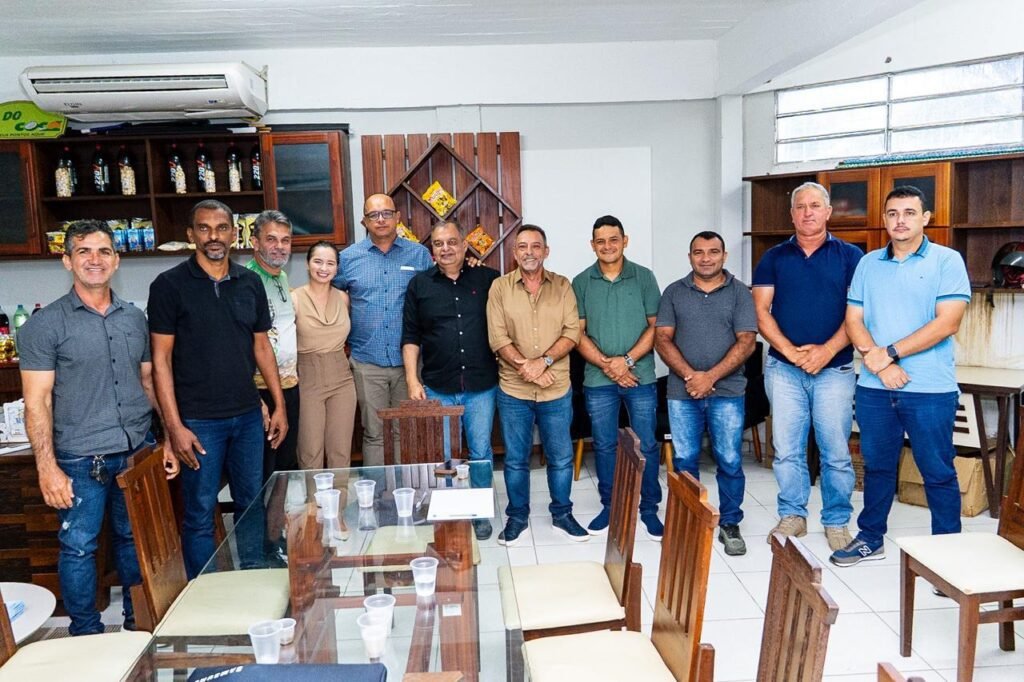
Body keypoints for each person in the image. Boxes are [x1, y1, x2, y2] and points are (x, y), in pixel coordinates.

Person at [18, 219, 178, 635]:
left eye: (104, 251)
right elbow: (37, 402)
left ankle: (137, 627)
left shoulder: (134, 318)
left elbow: (148, 382)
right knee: (79, 547)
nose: (95, 259)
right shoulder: (44, 326)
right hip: (80, 458)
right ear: (67, 261)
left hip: (135, 450)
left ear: (116, 260)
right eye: (84, 251)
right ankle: (85, 634)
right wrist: (46, 468)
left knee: (134, 540)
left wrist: (166, 441)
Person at [830, 185, 971, 567]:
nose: (900, 220)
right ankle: (870, 538)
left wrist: (889, 354)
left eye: (909, 213)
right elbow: (853, 319)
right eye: (892, 213)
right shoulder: (868, 263)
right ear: (884, 219)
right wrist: (880, 364)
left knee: (937, 471)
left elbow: (947, 323)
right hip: (875, 389)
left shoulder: (947, 261)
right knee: (877, 467)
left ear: (925, 218)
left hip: (929, 389)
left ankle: (947, 556)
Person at [148, 199, 287, 578]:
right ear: (191, 234)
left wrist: (278, 405)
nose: (214, 236)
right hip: (197, 421)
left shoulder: (250, 282)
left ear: (234, 234)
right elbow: (161, 361)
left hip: (247, 417)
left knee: (251, 502)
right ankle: (204, 592)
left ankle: (253, 576)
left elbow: (262, 347)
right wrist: (174, 427)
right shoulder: (169, 286)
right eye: (204, 228)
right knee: (199, 510)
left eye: (222, 228)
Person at [752, 181, 864, 551]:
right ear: (792, 214)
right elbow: (761, 312)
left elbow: (858, 313)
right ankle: (793, 515)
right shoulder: (773, 258)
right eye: (800, 206)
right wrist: (791, 351)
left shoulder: (851, 257)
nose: (807, 212)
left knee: (836, 451)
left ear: (828, 212)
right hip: (784, 370)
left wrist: (825, 352)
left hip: (835, 369)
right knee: (787, 449)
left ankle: (836, 520)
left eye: (815, 205)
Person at [655, 231, 756, 556]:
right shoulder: (674, 292)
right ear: (690, 257)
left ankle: (730, 523)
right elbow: (662, 339)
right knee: (685, 460)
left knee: (729, 459)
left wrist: (709, 377)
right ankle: (690, 519)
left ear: (724, 256)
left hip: (727, 391)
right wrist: (691, 376)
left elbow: (747, 342)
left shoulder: (740, 293)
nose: (706, 258)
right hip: (682, 392)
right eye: (698, 252)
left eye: (713, 252)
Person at [487, 224, 586, 546]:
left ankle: (562, 515)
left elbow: (572, 332)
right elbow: (498, 337)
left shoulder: (563, 286)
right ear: (514, 253)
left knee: (561, 457)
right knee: (516, 459)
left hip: (555, 389)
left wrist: (542, 362)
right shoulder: (500, 288)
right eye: (522, 247)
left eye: (535, 246)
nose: (529, 252)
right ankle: (517, 517)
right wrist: (527, 368)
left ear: (546, 251)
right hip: (514, 391)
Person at [402, 219, 501, 540]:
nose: (446, 249)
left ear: (464, 245)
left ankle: (480, 512)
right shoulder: (419, 285)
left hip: (481, 385)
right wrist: (412, 381)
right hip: (438, 385)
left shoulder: (488, 280)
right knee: (443, 455)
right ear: (432, 249)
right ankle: (450, 511)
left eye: (452, 242)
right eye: (438, 244)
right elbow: (411, 337)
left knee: (481, 453)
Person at [572, 215, 664, 540]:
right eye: (601, 241)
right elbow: (577, 333)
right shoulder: (581, 281)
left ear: (625, 241)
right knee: (605, 445)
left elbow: (656, 326)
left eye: (614, 239)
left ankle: (649, 508)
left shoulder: (644, 277)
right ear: (592, 245)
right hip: (598, 381)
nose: (607, 246)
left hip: (641, 377)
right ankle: (611, 506)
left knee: (646, 444)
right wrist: (609, 366)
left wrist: (626, 362)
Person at [333, 194, 433, 466]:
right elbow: (331, 297)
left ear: (397, 217)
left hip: (408, 364)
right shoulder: (348, 258)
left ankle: (405, 489)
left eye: (386, 213)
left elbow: (438, 289)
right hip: (367, 361)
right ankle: (377, 490)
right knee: (375, 433)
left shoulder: (419, 255)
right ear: (364, 221)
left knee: (405, 430)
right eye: (373, 215)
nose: (380, 219)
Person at [293, 241, 356, 471]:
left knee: (341, 451)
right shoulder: (294, 298)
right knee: (310, 452)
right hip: (307, 378)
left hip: (342, 377)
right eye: (318, 261)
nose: (323, 268)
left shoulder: (343, 298)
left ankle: (340, 495)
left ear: (337, 268)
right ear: (307, 264)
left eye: (330, 263)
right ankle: (312, 496)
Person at [246, 210, 299, 482]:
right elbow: (238, 347)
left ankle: (281, 512)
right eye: (271, 239)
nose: (279, 246)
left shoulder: (282, 277)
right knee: (264, 473)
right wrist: (256, 401)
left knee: (285, 467)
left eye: (285, 240)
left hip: (288, 385)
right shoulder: (245, 281)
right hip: (260, 392)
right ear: (255, 242)